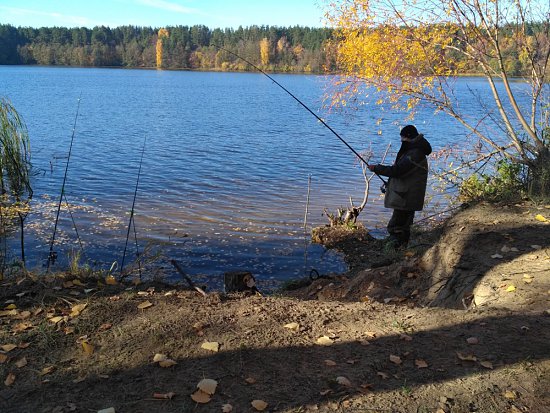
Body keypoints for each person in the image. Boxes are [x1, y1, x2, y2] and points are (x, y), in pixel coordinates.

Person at [367, 125, 432, 249]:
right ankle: (401, 247)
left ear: (408, 137)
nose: (401, 140)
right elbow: (406, 174)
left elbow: (398, 170)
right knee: (404, 224)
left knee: (397, 225)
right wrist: (390, 183)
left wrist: (377, 168)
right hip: (408, 194)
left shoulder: (415, 153)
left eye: (402, 138)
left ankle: (394, 250)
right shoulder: (415, 150)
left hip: (407, 196)